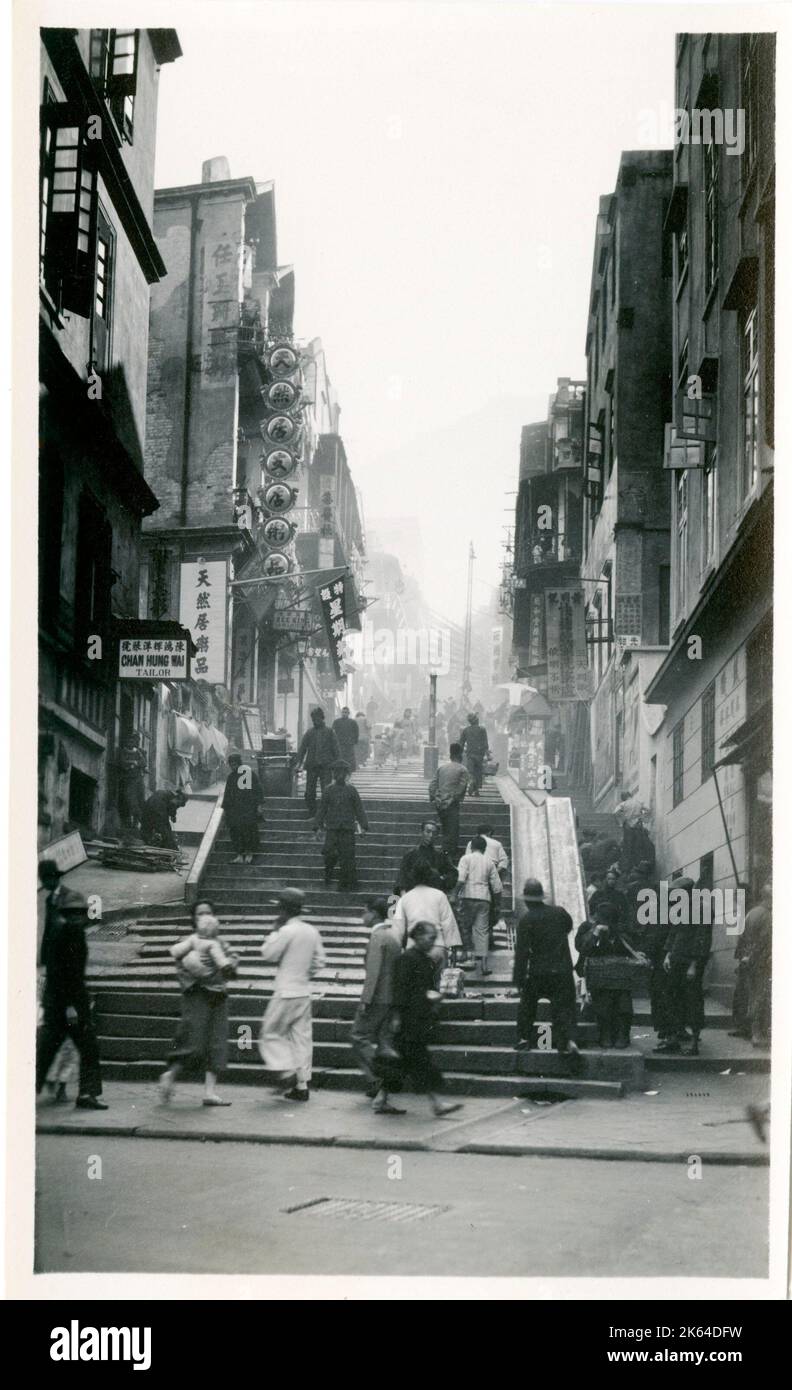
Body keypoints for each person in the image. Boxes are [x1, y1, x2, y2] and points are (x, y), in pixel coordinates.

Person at [159, 900, 239, 1106]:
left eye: (208, 913)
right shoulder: (190, 943)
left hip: (218, 996)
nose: (204, 916)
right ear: (193, 919)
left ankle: (210, 1092)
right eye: (199, 914)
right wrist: (199, 971)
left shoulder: (220, 943)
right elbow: (182, 969)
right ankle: (171, 1075)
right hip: (197, 995)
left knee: (217, 1041)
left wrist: (230, 966)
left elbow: (230, 967)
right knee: (192, 1040)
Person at [36, 889, 107, 1110]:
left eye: (79, 913)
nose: (77, 917)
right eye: (72, 913)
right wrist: (70, 1007)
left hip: (62, 1004)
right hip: (66, 1006)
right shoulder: (68, 934)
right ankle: (87, 1093)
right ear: (66, 914)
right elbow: (62, 974)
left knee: (49, 1051)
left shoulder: (68, 932)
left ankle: (86, 1093)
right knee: (85, 1048)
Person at [258, 888, 326, 1101]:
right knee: (301, 1038)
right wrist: (305, 973)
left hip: (285, 990)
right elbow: (320, 961)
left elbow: (269, 954)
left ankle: (285, 1070)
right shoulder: (311, 930)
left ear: (283, 909)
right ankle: (302, 1084)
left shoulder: (286, 930)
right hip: (302, 991)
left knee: (270, 1032)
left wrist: (273, 932)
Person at [391, 922, 462, 1118]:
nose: (433, 942)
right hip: (409, 1018)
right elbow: (400, 990)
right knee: (420, 1061)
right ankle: (437, 1103)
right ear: (419, 937)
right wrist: (396, 1017)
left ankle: (381, 1099)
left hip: (418, 1016)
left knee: (404, 1063)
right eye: (430, 937)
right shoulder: (407, 959)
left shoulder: (424, 959)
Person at [512, 878, 580, 1062]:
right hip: (562, 970)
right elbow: (568, 927)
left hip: (538, 972)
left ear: (526, 900)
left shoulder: (526, 920)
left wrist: (518, 979)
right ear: (542, 897)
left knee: (527, 1004)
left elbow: (522, 953)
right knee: (563, 1008)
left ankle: (524, 1037)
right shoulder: (559, 913)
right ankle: (567, 1041)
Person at [350, 897, 404, 1114]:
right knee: (384, 1042)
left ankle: (378, 1077)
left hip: (377, 998)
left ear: (373, 913)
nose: (363, 916)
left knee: (358, 1036)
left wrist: (365, 1000)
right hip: (391, 998)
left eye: (365, 912)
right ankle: (383, 1093)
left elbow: (373, 973)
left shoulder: (377, 937)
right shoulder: (393, 936)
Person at [658, 877, 711, 1057]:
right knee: (672, 998)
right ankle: (673, 1039)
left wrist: (694, 965)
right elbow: (674, 933)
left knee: (693, 1001)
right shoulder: (681, 908)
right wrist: (668, 954)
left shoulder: (703, 909)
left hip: (691, 964)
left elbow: (703, 940)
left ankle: (694, 1043)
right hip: (676, 960)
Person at [574, 902, 634, 1048]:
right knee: (603, 1004)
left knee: (623, 1005)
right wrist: (595, 934)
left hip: (619, 975)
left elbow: (630, 947)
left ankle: (623, 1034)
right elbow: (583, 949)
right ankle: (605, 1033)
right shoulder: (587, 927)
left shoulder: (620, 930)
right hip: (598, 974)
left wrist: (615, 934)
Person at [314, 761, 369, 890]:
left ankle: (346, 884)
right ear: (333, 774)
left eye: (342, 773)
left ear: (346, 775)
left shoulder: (352, 790)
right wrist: (317, 827)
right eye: (336, 772)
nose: (339, 775)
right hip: (332, 829)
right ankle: (328, 874)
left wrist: (364, 826)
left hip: (347, 829)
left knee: (347, 857)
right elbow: (321, 809)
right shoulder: (328, 790)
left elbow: (359, 809)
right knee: (329, 854)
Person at [391, 866, 462, 962]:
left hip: (414, 947)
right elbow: (448, 922)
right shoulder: (440, 895)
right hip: (437, 946)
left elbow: (398, 928)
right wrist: (453, 947)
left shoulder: (405, 898)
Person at [454, 835, 502, 975]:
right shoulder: (489, 861)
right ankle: (484, 965)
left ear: (471, 847)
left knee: (465, 926)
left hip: (468, 896)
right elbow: (497, 886)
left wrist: (454, 894)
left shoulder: (465, 859)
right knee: (482, 931)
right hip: (484, 898)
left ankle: (465, 955)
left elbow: (461, 878)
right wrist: (497, 904)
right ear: (484, 848)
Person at [428, 742, 469, 859]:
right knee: (452, 829)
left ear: (451, 755)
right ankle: (447, 854)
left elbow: (433, 785)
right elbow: (461, 788)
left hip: (440, 803)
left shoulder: (442, 768)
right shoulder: (463, 769)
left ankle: (445, 851)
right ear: (460, 755)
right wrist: (452, 799)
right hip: (452, 803)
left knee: (446, 827)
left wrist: (435, 798)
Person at [395, 820, 458, 895]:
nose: (431, 835)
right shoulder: (411, 854)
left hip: (433, 894)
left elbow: (453, 873)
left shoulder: (440, 855)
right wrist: (404, 895)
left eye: (434, 833)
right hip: (414, 894)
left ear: (437, 835)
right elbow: (402, 876)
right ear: (421, 832)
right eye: (428, 832)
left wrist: (442, 880)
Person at [296, 708, 340, 815]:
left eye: (317, 718)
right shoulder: (309, 733)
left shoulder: (330, 732)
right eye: (313, 718)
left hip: (326, 766)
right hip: (312, 766)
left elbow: (336, 749)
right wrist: (299, 762)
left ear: (322, 718)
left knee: (327, 791)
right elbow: (302, 749)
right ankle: (312, 812)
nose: (315, 720)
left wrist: (338, 766)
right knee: (309, 792)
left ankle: (325, 813)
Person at [223, 752, 262, 863]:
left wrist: (259, 805)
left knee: (249, 831)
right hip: (234, 810)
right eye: (231, 765)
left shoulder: (249, 774)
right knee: (235, 832)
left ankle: (249, 854)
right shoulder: (231, 777)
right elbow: (227, 795)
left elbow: (258, 791)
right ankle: (239, 855)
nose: (233, 767)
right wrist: (226, 809)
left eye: (235, 764)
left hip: (248, 809)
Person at [117, 731, 147, 832]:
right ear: (126, 741)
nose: (131, 742)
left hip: (138, 780)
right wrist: (131, 763)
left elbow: (143, 763)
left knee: (140, 800)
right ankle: (128, 823)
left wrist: (135, 763)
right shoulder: (124, 752)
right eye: (129, 740)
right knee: (130, 801)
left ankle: (136, 823)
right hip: (129, 780)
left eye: (133, 741)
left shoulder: (138, 752)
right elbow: (122, 763)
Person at [588, 868, 630, 933]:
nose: (611, 881)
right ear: (605, 879)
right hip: (599, 924)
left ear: (616, 880)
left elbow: (626, 911)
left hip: (615, 926)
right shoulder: (598, 894)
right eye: (609, 879)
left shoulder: (620, 895)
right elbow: (591, 909)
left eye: (613, 879)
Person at [459, 712, 489, 796]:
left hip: (470, 754)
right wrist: (488, 754)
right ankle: (476, 791)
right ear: (477, 721)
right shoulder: (482, 730)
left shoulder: (466, 730)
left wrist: (459, 753)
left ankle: (471, 781)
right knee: (478, 772)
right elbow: (485, 743)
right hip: (480, 755)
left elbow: (461, 743)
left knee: (470, 771)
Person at [333, 707, 360, 773]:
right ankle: (340, 770)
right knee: (340, 757)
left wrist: (355, 741)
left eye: (345, 712)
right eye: (343, 712)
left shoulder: (353, 722)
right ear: (341, 713)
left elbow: (356, 732)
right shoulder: (336, 722)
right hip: (340, 743)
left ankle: (350, 770)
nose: (344, 714)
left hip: (349, 743)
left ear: (348, 713)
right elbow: (333, 732)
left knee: (349, 758)